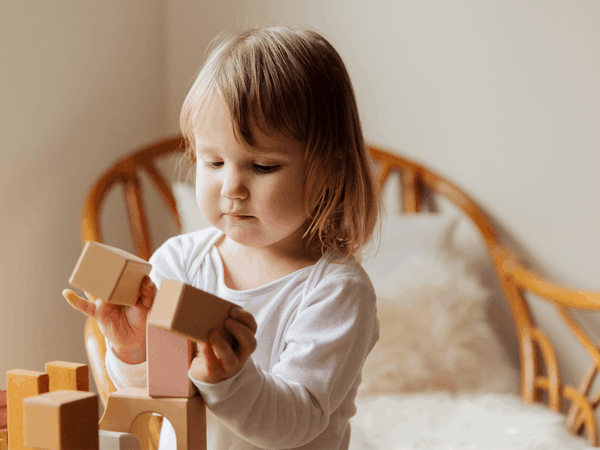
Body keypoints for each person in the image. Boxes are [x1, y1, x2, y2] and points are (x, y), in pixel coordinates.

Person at [64, 25, 384, 449]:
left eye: (263, 166)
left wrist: (233, 380)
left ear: (328, 168)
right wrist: (132, 349)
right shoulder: (178, 263)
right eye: (213, 162)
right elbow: (159, 397)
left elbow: (296, 421)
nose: (232, 186)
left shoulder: (336, 292)